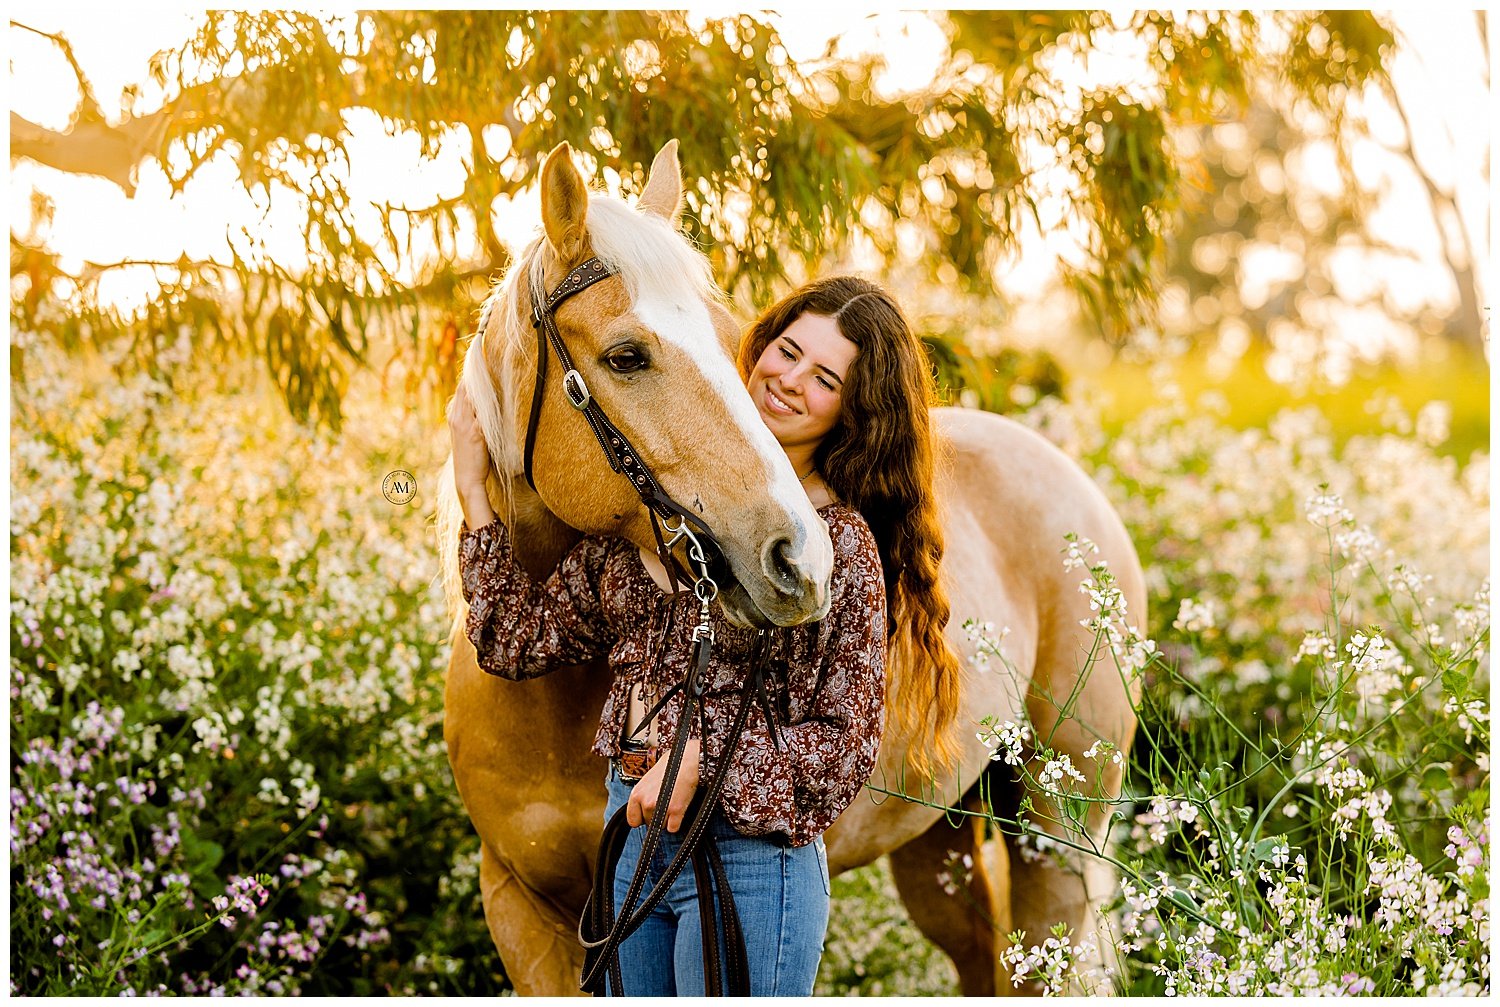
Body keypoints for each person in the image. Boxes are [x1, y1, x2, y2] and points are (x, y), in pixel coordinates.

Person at [448, 276, 962, 996]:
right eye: (786, 351)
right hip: (631, 844)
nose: (787, 380)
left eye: (824, 378)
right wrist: (475, 494)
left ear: (851, 410)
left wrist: (702, 755)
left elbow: (842, 743)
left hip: (750, 861)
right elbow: (513, 641)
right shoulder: (651, 518)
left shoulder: (833, 544)